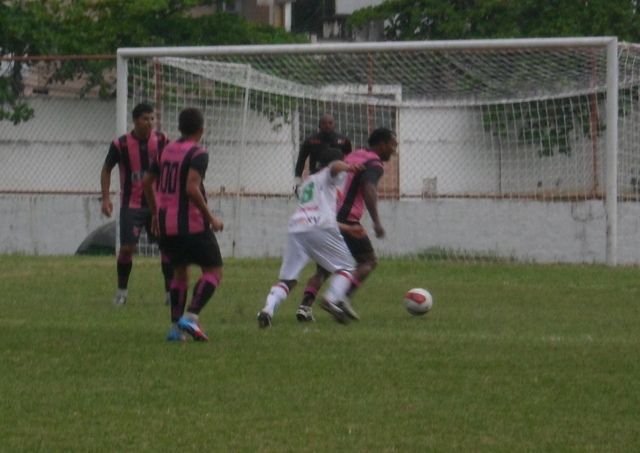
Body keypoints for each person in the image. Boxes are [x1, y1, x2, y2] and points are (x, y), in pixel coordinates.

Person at [294, 127, 397, 322]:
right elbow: (368, 189)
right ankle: (338, 299)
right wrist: (376, 222)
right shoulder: (374, 163)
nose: (394, 150)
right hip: (346, 219)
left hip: (327, 214)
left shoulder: (355, 154)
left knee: (324, 267)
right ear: (382, 144)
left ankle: (305, 307)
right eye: (393, 146)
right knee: (368, 261)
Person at [257, 149, 365, 328]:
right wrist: (349, 166)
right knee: (346, 268)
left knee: (288, 280)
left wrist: (348, 228)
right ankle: (330, 299)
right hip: (318, 227)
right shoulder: (328, 174)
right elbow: (335, 167)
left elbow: (318, 215)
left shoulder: (309, 182)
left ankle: (267, 309)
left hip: (297, 228)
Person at [143, 107, 224, 342]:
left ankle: (175, 330)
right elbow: (191, 188)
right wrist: (211, 218)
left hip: (167, 224)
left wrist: (156, 213)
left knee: (180, 273)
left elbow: (148, 183)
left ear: (180, 128)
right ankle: (191, 316)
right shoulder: (198, 153)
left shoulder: (165, 150)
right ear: (201, 129)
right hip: (192, 224)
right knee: (214, 271)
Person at [100, 102, 173, 306]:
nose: (150, 122)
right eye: (145, 119)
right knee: (126, 249)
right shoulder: (120, 144)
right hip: (131, 204)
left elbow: (171, 166)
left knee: (166, 247)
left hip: (157, 205)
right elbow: (106, 169)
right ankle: (122, 292)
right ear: (135, 120)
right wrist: (106, 199)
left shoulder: (162, 140)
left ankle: (170, 294)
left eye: (152, 119)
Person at [294, 114, 352, 193]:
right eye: (324, 123)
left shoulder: (343, 140)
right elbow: (301, 160)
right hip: (316, 177)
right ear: (319, 125)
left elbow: (350, 160)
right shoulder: (310, 141)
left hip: (338, 178)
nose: (327, 125)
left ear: (334, 124)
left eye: (330, 123)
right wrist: (298, 183)